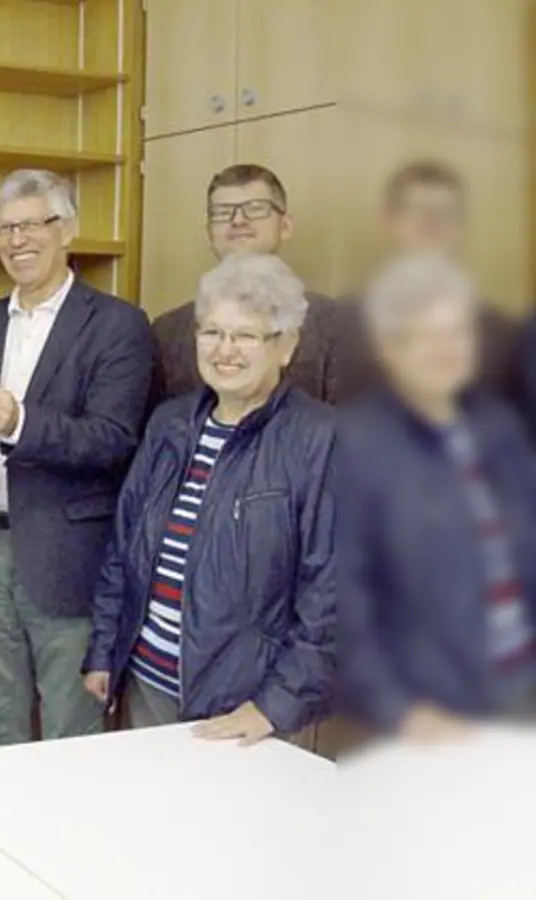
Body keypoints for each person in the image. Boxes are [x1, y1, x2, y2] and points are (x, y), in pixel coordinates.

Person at [0, 169, 155, 749]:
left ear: (68, 230)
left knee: (70, 731)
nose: (17, 240)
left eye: (32, 225)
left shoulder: (117, 325)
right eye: (5, 229)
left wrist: (22, 422)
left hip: (68, 559)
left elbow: (113, 439)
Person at [83, 253, 335, 744]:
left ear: (286, 346)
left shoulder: (321, 439)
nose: (225, 350)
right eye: (212, 332)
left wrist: (275, 705)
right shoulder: (170, 423)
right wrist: (104, 650)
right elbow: (125, 546)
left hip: (247, 705)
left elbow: (333, 592)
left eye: (245, 335)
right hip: (148, 683)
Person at [341, 253, 536, 738]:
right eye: (426, 336)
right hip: (439, 712)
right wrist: (398, 710)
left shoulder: (499, 426)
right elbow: (345, 600)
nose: (445, 350)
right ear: (388, 346)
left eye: (456, 333)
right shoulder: (358, 445)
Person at [334, 160, 523, 405]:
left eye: (446, 213)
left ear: (463, 227)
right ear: (387, 221)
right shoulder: (339, 324)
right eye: (418, 212)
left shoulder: (501, 332)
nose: (432, 226)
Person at [150, 163, 340, 404]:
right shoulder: (167, 331)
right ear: (208, 232)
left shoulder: (334, 324)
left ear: (285, 226)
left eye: (256, 209)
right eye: (222, 212)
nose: (238, 220)